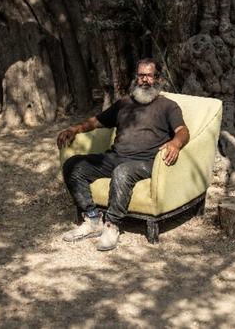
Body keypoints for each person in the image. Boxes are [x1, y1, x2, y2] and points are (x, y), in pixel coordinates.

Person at [57, 58, 189, 251]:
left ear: (157, 78)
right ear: (136, 78)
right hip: (115, 157)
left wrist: (175, 143)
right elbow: (97, 121)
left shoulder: (168, 106)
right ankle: (93, 219)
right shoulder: (123, 104)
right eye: (140, 75)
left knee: (122, 171)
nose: (144, 80)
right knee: (73, 165)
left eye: (149, 76)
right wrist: (75, 129)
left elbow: (183, 131)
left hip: (147, 162)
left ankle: (112, 225)